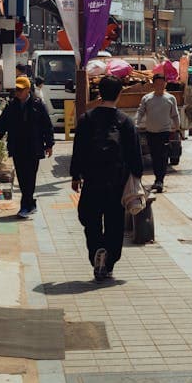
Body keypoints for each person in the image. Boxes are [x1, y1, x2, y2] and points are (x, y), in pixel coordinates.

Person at [70, 76, 143, 281]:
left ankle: (97, 249)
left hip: (92, 181)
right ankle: (109, 263)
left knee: (90, 220)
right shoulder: (125, 122)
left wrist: (75, 176)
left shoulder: (86, 119)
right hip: (117, 182)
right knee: (114, 223)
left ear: (99, 93)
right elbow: (134, 155)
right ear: (119, 93)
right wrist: (136, 177)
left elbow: (78, 150)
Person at [0, 76, 54, 219]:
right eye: (16, 90)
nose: (17, 92)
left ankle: (26, 205)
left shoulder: (37, 104)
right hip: (17, 146)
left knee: (30, 177)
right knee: (22, 177)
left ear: (28, 90)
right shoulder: (11, 105)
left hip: (33, 146)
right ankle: (30, 203)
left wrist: (49, 144)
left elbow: (47, 125)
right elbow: (2, 124)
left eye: (20, 90)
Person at [135, 73, 181, 193]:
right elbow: (140, 112)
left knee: (163, 157)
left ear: (165, 84)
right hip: (151, 132)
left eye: (162, 83)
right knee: (155, 157)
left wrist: (177, 128)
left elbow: (175, 115)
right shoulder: (147, 98)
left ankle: (160, 180)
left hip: (164, 133)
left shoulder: (170, 98)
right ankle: (157, 179)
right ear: (153, 85)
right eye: (157, 83)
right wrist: (135, 124)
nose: (160, 86)